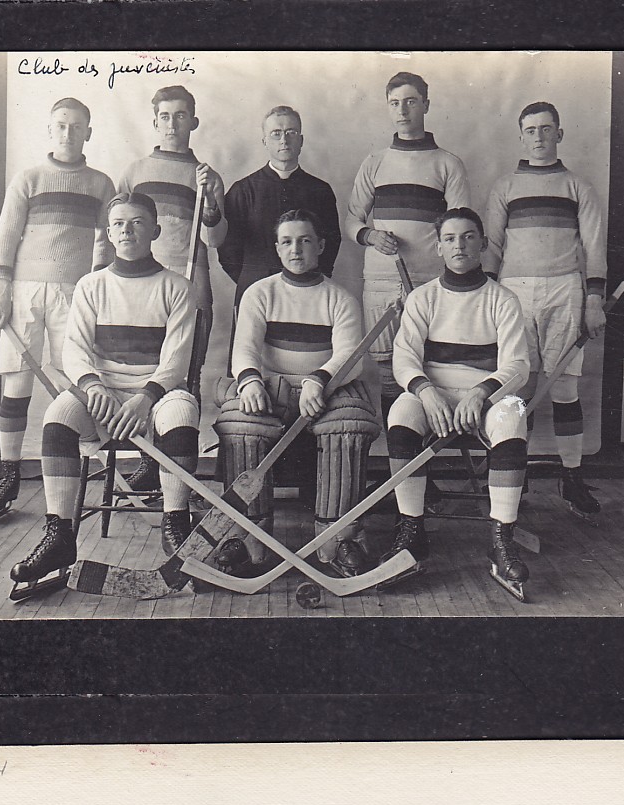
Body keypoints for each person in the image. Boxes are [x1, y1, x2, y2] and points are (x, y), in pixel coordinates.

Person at [8, 193, 199, 596]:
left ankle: (175, 524)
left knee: (182, 417)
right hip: (104, 397)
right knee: (58, 415)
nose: (127, 231)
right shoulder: (91, 285)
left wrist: (145, 397)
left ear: (155, 231)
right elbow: (74, 350)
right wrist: (94, 387)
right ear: (109, 233)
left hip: (155, 396)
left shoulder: (176, 287)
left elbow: (176, 359)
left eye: (137, 222)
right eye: (118, 224)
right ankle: (60, 535)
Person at [213, 208, 379, 578]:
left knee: (348, 425)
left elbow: (349, 355)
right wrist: (251, 380)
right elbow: (245, 349)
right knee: (243, 425)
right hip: (270, 388)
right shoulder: (261, 292)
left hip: (328, 388)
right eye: (287, 242)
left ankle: (339, 540)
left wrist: (318, 380)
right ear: (277, 248)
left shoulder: (339, 297)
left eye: (305, 241)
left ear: (320, 245)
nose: (296, 249)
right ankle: (246, 539)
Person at [381, 208, 532, 601]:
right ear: (438, 247)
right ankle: (413, 532)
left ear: (482, 243)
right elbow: (405, 358)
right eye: (450, 238)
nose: (459, 245)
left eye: (468, 237)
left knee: (513, 414)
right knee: (401, 412)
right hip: (435, 396)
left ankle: (501, 540)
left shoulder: (503, 299)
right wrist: (427, 392)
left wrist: (482, 393)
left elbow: (517, 365)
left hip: (486, 397)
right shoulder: (423, 298)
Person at [0, 97, 115, 522]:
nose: (68, 133)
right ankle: (9, 475)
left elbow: (108, 241)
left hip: (73, 295)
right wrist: (2, 289)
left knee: (72, 379)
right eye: (61, 125)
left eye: (77, 126)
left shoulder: (100, 183)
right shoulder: (29, 178)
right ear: (50, 129)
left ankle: (75, 468)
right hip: (23, 292)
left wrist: (97, 287)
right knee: (17, 383)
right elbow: (6, 234)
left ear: (89, 132)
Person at [484, 101, 607, 518]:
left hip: (565, 290)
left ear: (560, 133)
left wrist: (593, 298)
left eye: (546, 128)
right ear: (521, 135)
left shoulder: (578, 187)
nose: (539, 136)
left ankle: (571, 478)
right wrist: (486, 297)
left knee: (563, 388)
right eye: (531, 129)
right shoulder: (504, 188)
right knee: (518, 387)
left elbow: (594, 248)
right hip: (513, 290)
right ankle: (514, 481)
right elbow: (493, 248)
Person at [345, 71, 470, 426]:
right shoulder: (375, 163)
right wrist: (370, 237)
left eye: (411, 102)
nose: (403, 111)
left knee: (426, 368)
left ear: (426, 105)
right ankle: (402, 471)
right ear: (388, 109)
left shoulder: (448, 163)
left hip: (431, 283)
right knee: (386, 373)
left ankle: (421, 471)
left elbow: (460, 226)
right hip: (381, 282)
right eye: (395, 103)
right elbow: (352, 219)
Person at [117, 85, 225, 461]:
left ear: (193, 121)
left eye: (180, 115)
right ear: (154, 121)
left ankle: (180, 468)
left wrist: (211, 199)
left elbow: (215, 238)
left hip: (191, 282)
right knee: (147, 372)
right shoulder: (136, 172)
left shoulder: (206, 176)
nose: (172, 123)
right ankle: (149, 461)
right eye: (164, 116)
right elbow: (116, 232)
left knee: (188, 375)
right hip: (142, 287)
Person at [218, 106, 341, 309]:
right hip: (254, 293)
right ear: (265, 141)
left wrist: (310, 279)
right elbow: (228, 251)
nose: (284, 139)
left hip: (307, 293)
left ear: (301, 141)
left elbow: (330, 244)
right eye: (276, 133)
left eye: (291, 132)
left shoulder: (320, 190)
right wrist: (253, 280)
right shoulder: (242, 190)